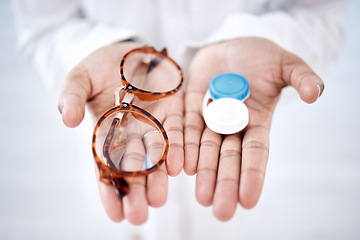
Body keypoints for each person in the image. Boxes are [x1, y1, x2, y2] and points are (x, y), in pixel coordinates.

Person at [13, 0, 347, 234]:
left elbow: (317, 13)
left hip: (228, 175)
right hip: (117, 141)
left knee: (222, 217)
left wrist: (267, 39)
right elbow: (45, 25)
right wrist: (96, 52)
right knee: (127, 216)